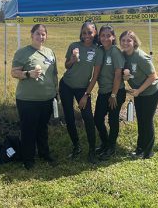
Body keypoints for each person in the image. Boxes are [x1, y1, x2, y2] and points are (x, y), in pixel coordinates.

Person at [11, 24, 58, 170]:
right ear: (32, 35)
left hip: (47, 99)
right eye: (38, 34)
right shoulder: (23, 52)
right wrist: (27, 74)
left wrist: (56, 91)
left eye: (43, 34)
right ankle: (28, 159)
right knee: (28, 130)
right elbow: (14, 72)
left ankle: (44, 154)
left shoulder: (50, 52)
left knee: (42, 129)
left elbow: (54, 74)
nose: (41, 37)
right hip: (27, 100)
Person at [59, 20, 102, 164]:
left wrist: (86, 95)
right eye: (84, 33)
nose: (87, 35)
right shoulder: (74, 46)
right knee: (69, 117)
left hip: (83, 89)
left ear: (95, 33)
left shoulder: (97, 50)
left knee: (88, 117)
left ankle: (91, 150)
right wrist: (71, 60)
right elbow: (66, 66)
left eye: (90, 32)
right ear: (81, 34)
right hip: (66, 85)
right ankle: (76, 146)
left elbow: (95, 76)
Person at [119, 30, 158, 159]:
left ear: (134, 42)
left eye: (129, 40)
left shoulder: (140, 56)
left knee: (146, 121)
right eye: (123, 40)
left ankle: (148, 152)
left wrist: (138, 91)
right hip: (139, 92)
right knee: (141, 120)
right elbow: (126, 73)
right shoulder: (124, 55)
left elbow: (153, 77)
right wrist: (125, 77)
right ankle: (139, 149)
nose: (126, 43)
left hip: (151, 91)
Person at [94, 25, 126, 160]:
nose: (105, 38)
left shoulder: (115, 52)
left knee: (113, 120)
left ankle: (111, 147)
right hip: (103, 91)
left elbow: (118, 75)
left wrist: (113, 95)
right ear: (99, 37)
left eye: (108, 35)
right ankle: (105, 143)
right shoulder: (101, 50)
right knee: (98, 118)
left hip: (116, 91)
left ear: (113, 37)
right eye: (103, 35)